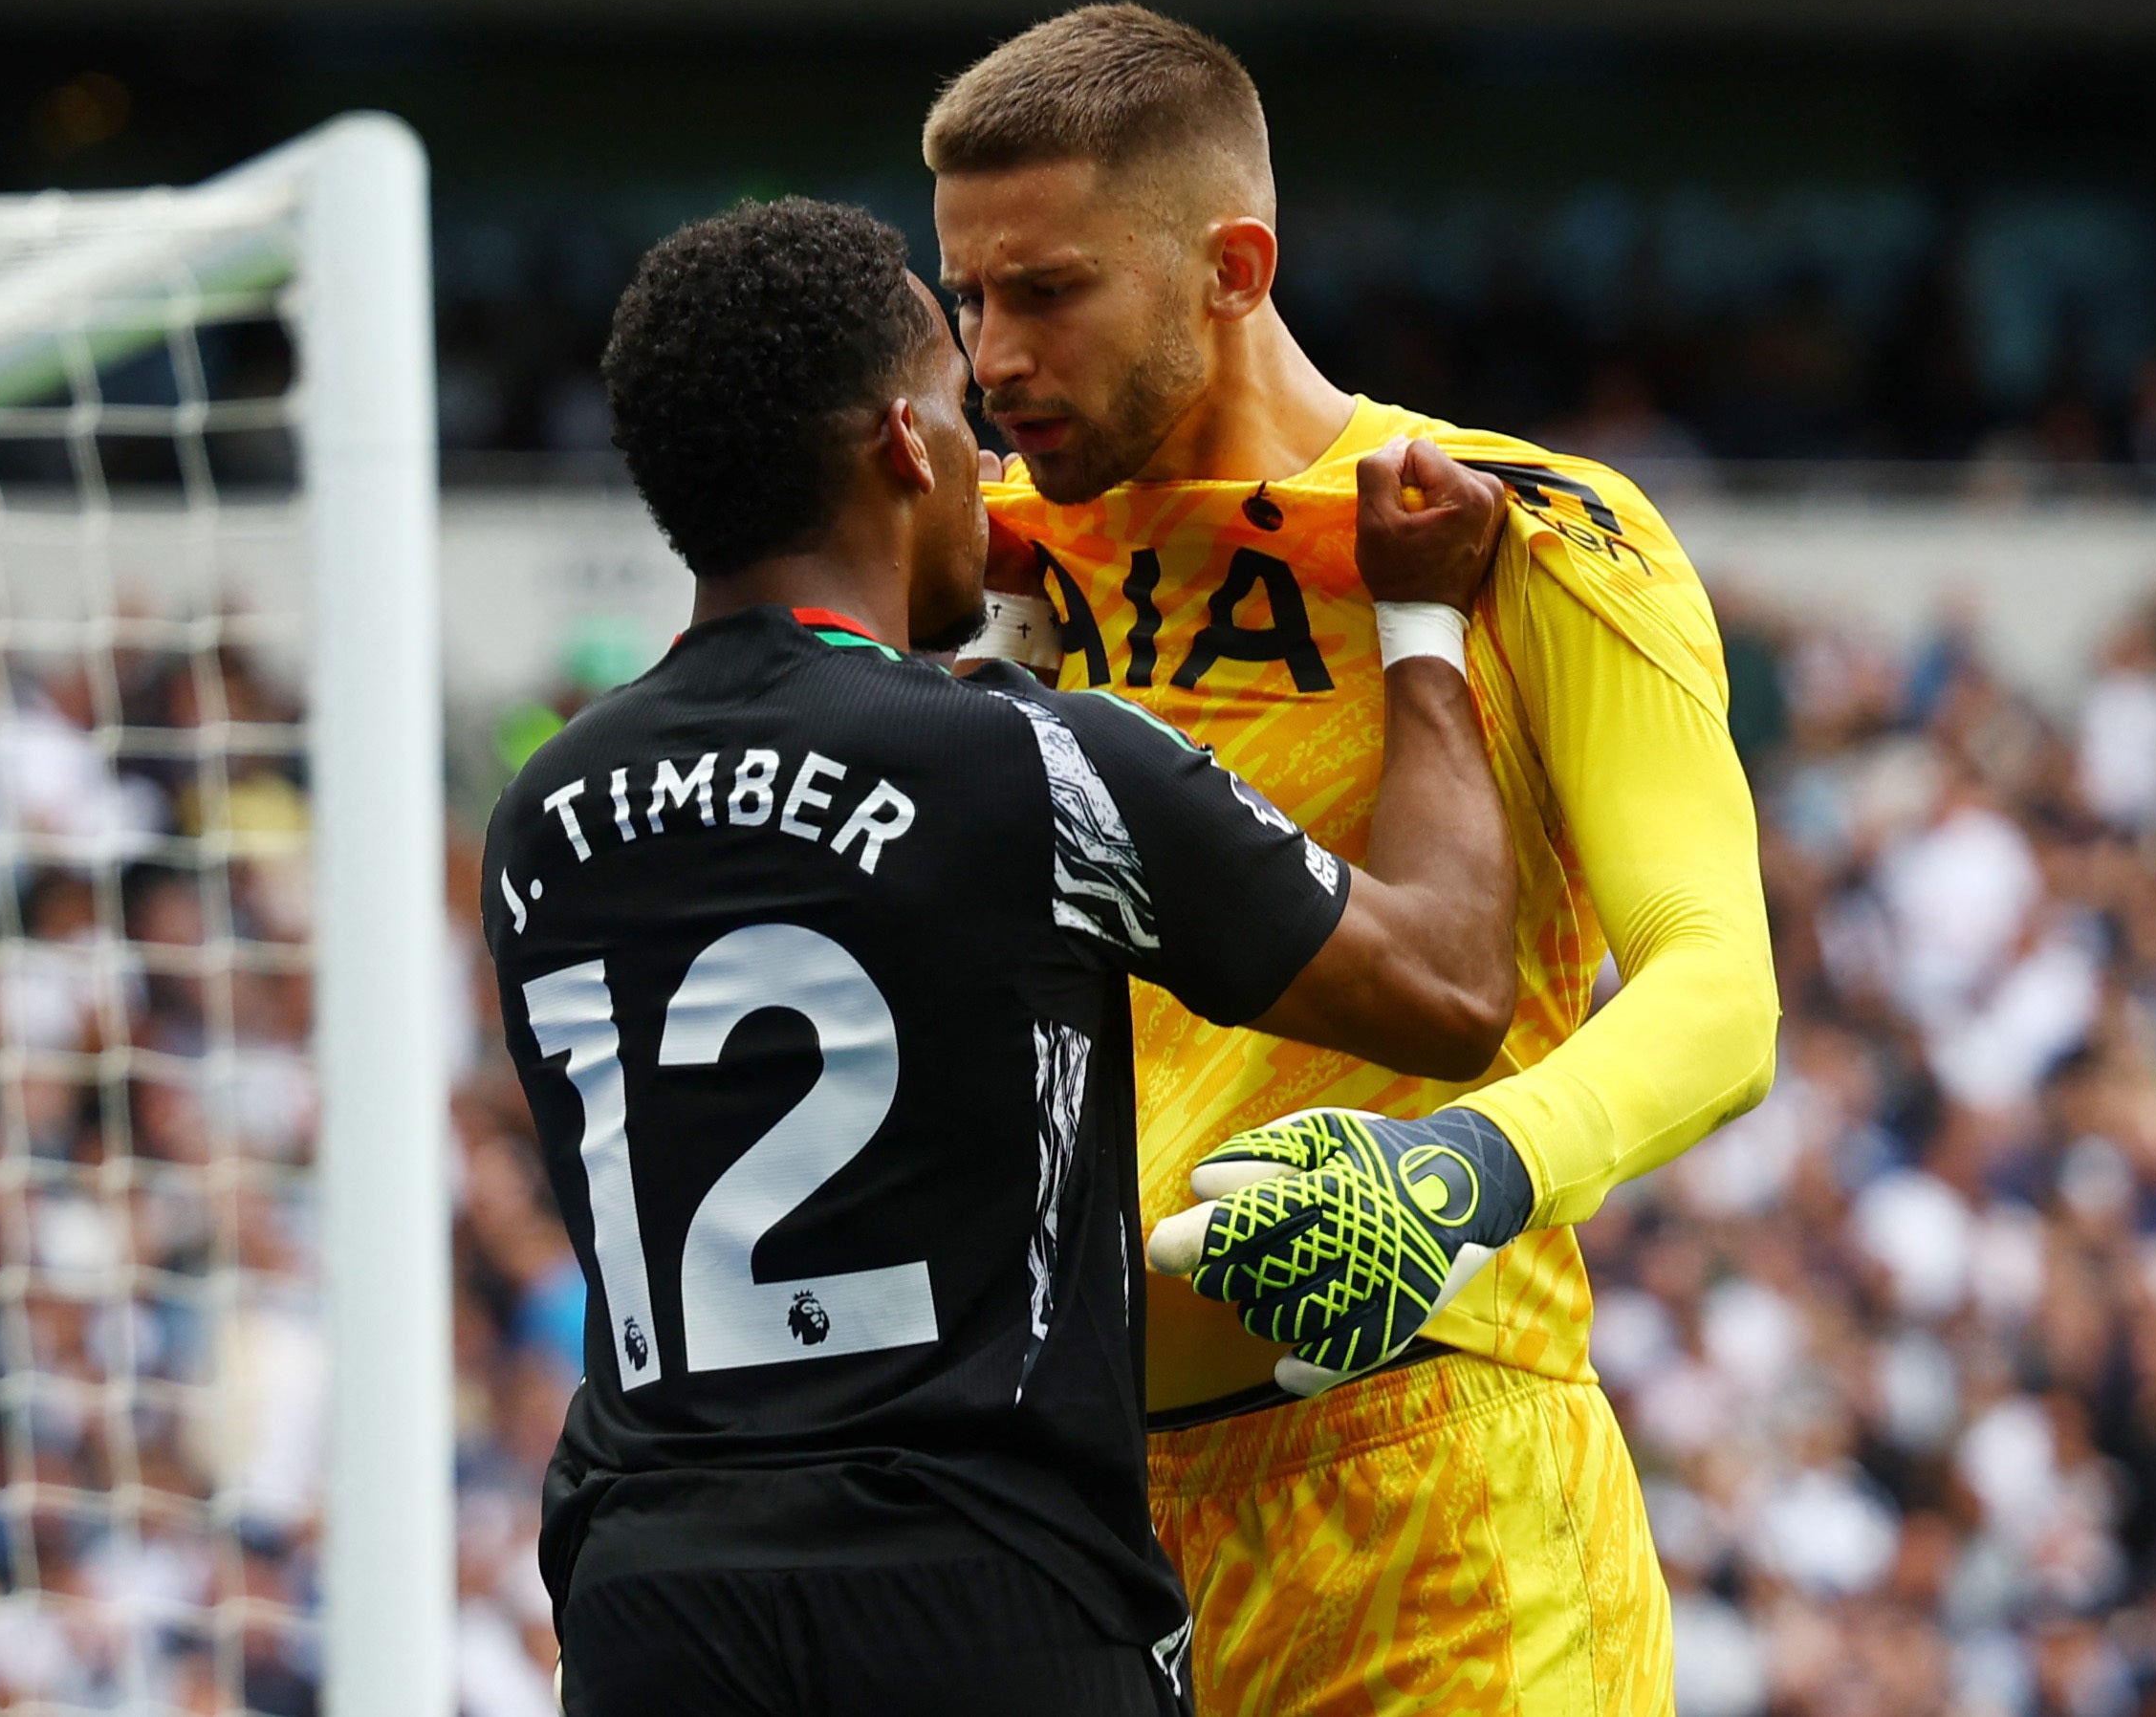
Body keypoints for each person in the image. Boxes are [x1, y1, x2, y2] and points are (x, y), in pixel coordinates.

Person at [483, 196, 1522, 1715]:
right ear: (904, 445)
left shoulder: (541, 810)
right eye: (967, 415)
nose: (999, 456)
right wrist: (1421, 621)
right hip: (983, 1592)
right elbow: (1446, 985)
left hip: (651, 1601)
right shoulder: (1029, 769)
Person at [926, 6, 1781, 1712]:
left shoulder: (1519, 528)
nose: (991, 356)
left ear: (1231, 266)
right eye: (965, 299)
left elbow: (1718, 987)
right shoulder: (984, 566)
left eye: (1047, 293)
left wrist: (1451, 1179)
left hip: (1431, 1500)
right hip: (1068, 1511)